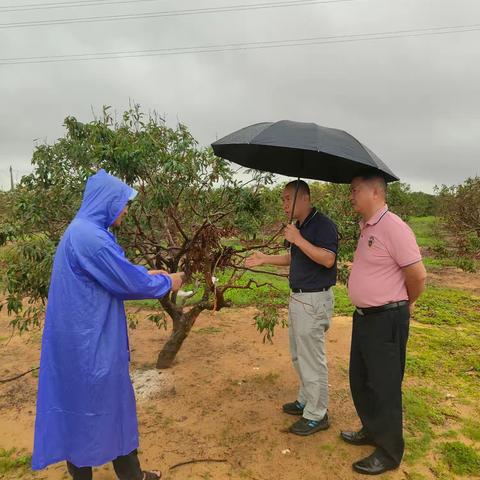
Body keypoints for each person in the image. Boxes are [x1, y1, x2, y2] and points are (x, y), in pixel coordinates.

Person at [32, 169, 185, 480]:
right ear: (107, 202)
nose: (126, 210)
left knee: (79, 409)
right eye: (123, 203)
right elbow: (124, 281)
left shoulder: (81, 231)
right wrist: (168, 281)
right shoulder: (92, 238)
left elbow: (112, 274)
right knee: (112, 406)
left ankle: (123, 474)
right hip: (92, 344)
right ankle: (131, 476)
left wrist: (143, 275)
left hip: (76, 341)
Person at [341, 173, 427, 475]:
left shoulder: (394, 227)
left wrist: (404, 304)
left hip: (386, 318)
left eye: (355, 190)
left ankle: (389, 452)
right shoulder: (367, 228)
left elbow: (417, 276)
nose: (351, 195)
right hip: (364, 318)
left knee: (385, 385)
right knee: (361, 379)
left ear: (376, 191)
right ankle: (372, 429)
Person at [245, 180, 338, 436]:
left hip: (313, 299)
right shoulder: (298, 226)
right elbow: (293, 257)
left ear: (305, 199)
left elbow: (328, 259)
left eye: (288, 199)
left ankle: (317, 414)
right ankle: (306, 399)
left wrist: (298, 239)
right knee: (299, 355)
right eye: (283, 199)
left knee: (312, 358)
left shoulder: (323, 225)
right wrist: (265, 258)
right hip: (298, 298)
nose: (283, 204)